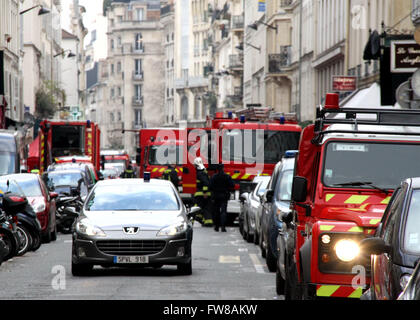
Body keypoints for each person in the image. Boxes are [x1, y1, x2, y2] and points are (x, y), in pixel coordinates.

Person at [209, 164, 235, 232]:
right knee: (223, 212)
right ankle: (223, 227)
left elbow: (210, 186)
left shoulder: (214, 177)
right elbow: (232, 185)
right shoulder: (227, 176)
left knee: (216, 211)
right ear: (223, 168)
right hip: (224, 196)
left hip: (216, 196)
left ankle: (217, 227)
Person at [193, 157, 213, 227]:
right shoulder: (203, 171)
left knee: (197, 207)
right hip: (204, 193)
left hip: (201, 194)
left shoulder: (200, 173)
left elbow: (206, 183)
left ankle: (197, 218)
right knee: (206, 208)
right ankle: (208, 221)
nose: (194, 166)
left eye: (194, 165)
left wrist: (204, 192)